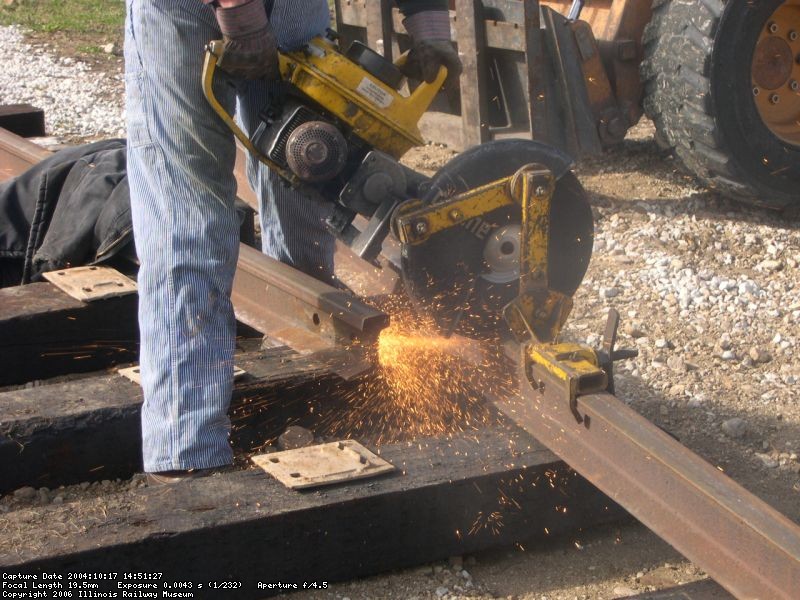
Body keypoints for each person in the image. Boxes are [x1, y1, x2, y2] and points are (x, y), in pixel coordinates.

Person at [124, 0, 462, 483]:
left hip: (289, 10)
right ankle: (186, 456)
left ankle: (308, 388)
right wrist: (240, 13)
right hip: (184, 13)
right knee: (188, 216)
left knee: (308, 172)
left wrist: (428, 24)